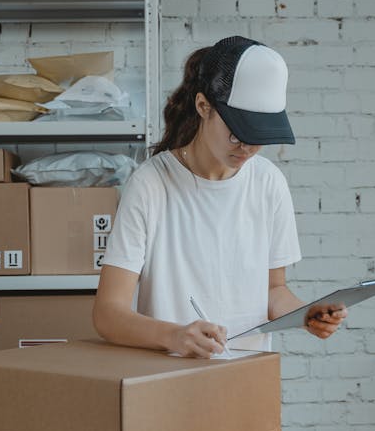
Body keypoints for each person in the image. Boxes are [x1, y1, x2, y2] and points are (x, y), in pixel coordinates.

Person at [93, 36, 348, 359]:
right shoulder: (150, 184)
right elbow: (107, 314)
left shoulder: (268, 183)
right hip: (168, 381)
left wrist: (306, 314)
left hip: (245, 378)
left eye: (259, 137)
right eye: (237, 132)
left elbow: (273, 290)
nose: (247, 147)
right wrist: (175, 335)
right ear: (204, 107)